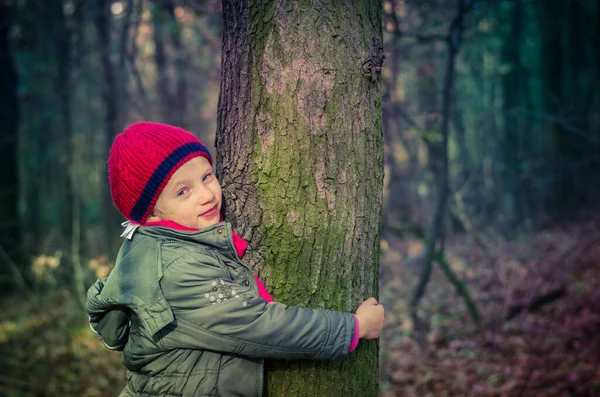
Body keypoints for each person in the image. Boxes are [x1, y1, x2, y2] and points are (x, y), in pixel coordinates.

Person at [86, 122, 385, 397]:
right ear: (150, 214)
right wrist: (352, 327)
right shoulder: (176, 270)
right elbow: (259, 324)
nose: (205, 195)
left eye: (206, 176)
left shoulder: (175, 243)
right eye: (183, 191)